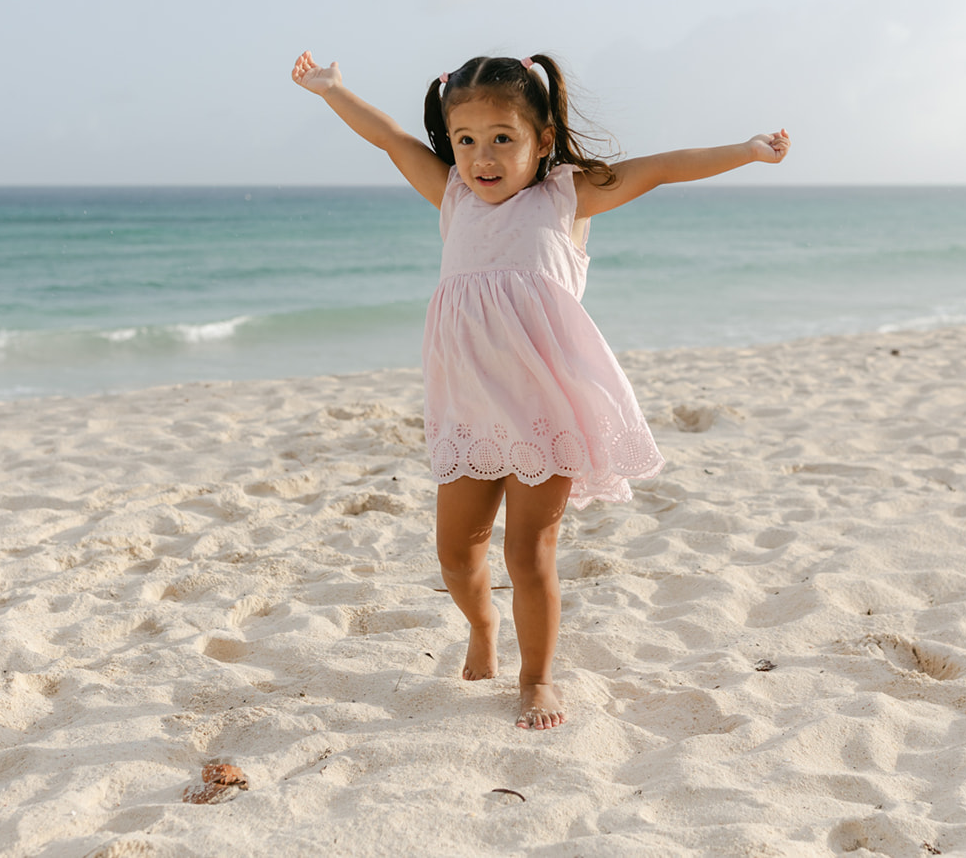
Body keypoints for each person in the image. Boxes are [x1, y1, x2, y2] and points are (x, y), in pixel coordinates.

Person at [291, 50, 790, 729]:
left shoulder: (567, 196)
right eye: (465, 139)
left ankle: (537, 679)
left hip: (544, 408)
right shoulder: (453, 197)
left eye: (503, 137)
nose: (481, 156)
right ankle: (481, 625)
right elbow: (389, 138)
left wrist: (748, 150)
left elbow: (667, 166)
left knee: (528, 552)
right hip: (468, 406)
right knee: (456, 554)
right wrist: (332, 90)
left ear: (543, 139)